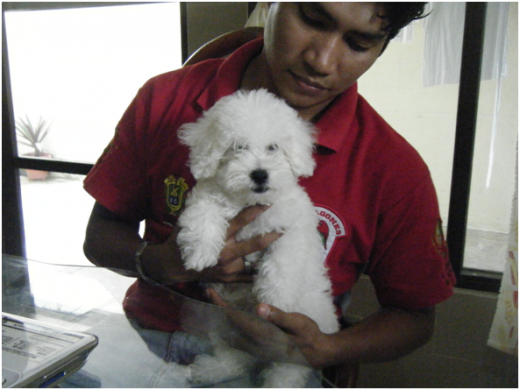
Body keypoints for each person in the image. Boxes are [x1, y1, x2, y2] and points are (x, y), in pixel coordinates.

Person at [83, 1, 456, 384]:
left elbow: (415, 318)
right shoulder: (163, 99)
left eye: (359, 43)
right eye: (312, 19)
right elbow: (99, 237)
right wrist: (163, 261)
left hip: (275, 359)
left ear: (382, 46)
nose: (322, 61)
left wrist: (325, 349)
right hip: (144, 337)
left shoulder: (395, 167)